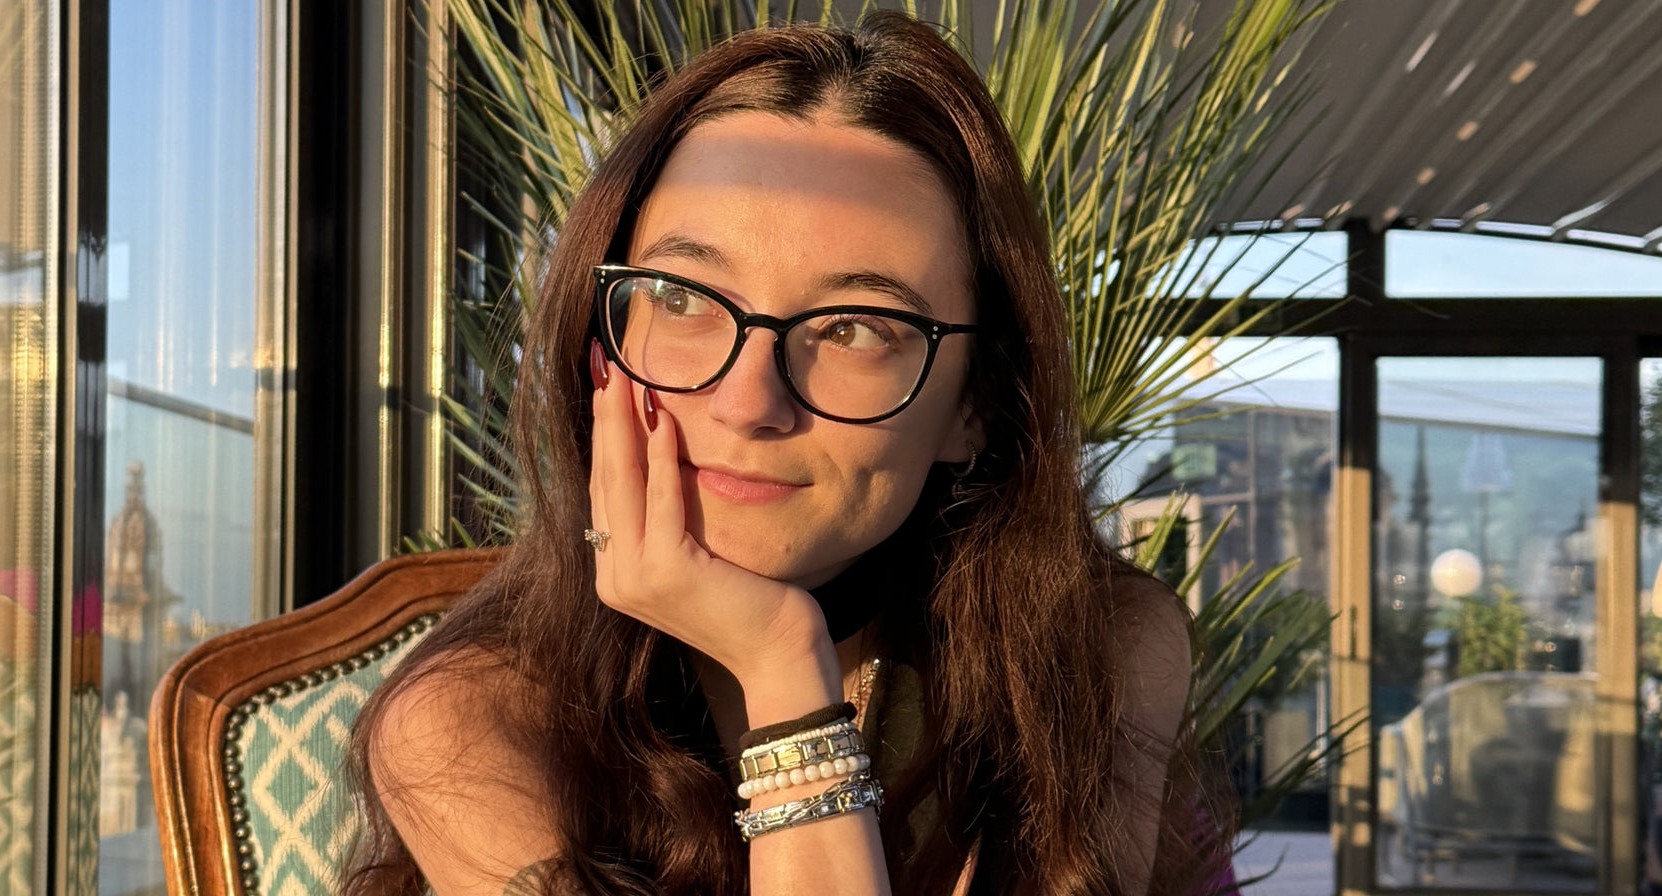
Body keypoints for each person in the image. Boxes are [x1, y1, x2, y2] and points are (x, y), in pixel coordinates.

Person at [343, 11, 1220, 895]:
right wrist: (782, 664)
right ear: (603, 343)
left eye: (854, 328)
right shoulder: (466, 722)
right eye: (681, 298)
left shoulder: (1099, 652)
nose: (748, 402)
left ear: (975, 405)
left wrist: (778, 673)